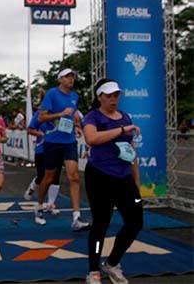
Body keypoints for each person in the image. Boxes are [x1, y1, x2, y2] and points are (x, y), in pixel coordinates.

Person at [83, 78, 143, 284]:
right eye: (108, 96)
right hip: (99, 176)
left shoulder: (125, 117)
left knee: (136, 222)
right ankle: (93, 271)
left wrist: (136, 180)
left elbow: (131, 151)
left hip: (124, 178)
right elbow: (91, 139)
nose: (113, 99)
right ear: (99, 97)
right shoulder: (93, 117)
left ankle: (112, 263)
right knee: (101, 224)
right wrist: (121, 130)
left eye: (116, 95)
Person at [34, 68, 89, 230]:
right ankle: (39, 206)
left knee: (74, 176)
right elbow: (42, 117)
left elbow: (73, 116)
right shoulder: (52, 94)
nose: (71, 79)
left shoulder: (74, 96)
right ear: (60, 80)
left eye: (73, 76)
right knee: (48, 177)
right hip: (52, 141)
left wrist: (77, 126)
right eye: (67, 77)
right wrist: (60, 114)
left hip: (69, 141)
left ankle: (76, 217)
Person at [23, 107, 62, 215]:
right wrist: (42, 134)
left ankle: (50, 204)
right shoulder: (40, 114)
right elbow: (30, 129)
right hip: (42, 150)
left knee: (56, 176)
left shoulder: (61, 113)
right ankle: (32, 188)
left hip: (57, 149)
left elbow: (67, 128)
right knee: (42, 176)